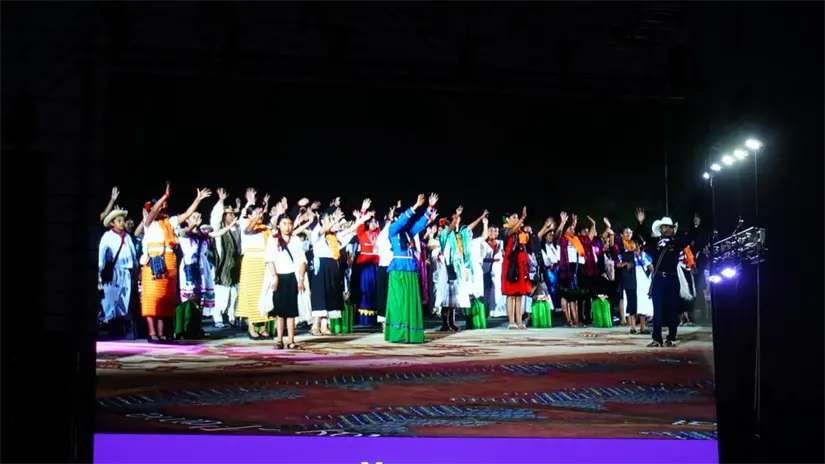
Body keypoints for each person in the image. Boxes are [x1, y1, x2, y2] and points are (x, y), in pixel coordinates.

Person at [385, 193, 438, 344]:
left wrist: (429, 208)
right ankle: (398, 333)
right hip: (399, 269)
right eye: (402, 217)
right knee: (399, 301)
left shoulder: (408, 234)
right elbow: (402, 220)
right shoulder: (393, 229)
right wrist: (415, 206)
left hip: (410, 269)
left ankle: (410, 332)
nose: (406, 220)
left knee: (410, 301)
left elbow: (420, 224)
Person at [643, 212, 700, 347]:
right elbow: (642, 237)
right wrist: (641, 223)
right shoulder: (655, 243)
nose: (667, 229)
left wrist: (696, 226)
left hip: (672, 278)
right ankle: (657, 339)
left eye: (669, 227)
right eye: (664, 227)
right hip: (658, 278)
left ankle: (671, 337)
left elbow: (689, 238)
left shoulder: (676, 242)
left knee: (672, 309)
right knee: (657, 309)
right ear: (661, 229)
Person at [264, 214, 308, 350]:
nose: (287, 227)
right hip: (279, 277)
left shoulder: (296, 240)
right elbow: (269, 260)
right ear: (278, 225)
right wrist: (274, 277)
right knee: (280, 311)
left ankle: (291, 340)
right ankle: (279, 340)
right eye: (284, 223)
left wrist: (301, 279)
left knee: (291, 311)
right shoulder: (273, 240)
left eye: (289, 224)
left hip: (292, 277)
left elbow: (303, 261)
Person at [98, 207, 137, 338]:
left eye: (123, 220)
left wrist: (135, 270)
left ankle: (119, 328)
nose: (122, 223)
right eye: (119, 221)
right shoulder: (107, 236)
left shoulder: (128, 237)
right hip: (113, 273)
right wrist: (99, 276)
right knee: (110, 301)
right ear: (112, 223)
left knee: (123, 301)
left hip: (126, 272)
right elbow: (101, 257)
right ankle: (107, 327)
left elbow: (133, 255)